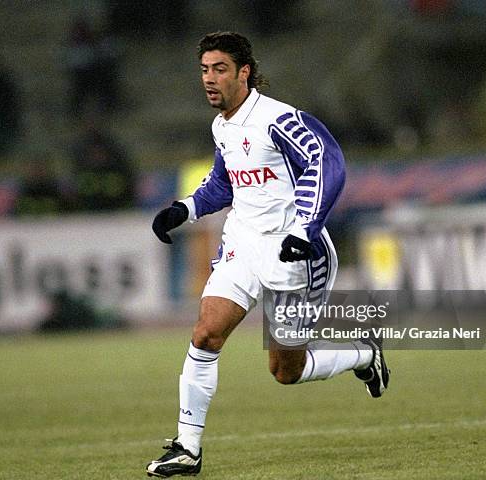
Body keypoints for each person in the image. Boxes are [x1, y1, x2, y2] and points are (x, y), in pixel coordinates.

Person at [146, 32, 390, 478]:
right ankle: (187, 447)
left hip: (295, 253)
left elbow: (327, 161)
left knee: (285, 371)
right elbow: (224, 183)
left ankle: (362, 352)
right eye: (204, 70)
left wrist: (304, 230)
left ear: (244, 72)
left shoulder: (279, 119)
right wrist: (183, 209)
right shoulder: (222, 126)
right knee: (205, 334)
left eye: (219, 69)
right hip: (243, 245)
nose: (209, 79)